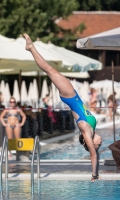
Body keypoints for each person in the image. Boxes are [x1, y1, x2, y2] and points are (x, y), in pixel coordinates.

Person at [23, 33, 102, 181]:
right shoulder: (91, 129)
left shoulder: (86, 130)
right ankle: (31, 48)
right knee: (50, 71)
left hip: (70, 96)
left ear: (88, 142)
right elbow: (94, 152)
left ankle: (31, 48)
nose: (100, 144)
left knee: (50, 70)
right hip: (73, 95)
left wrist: (94, 175)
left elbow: (93, 154)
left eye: (97, 145)